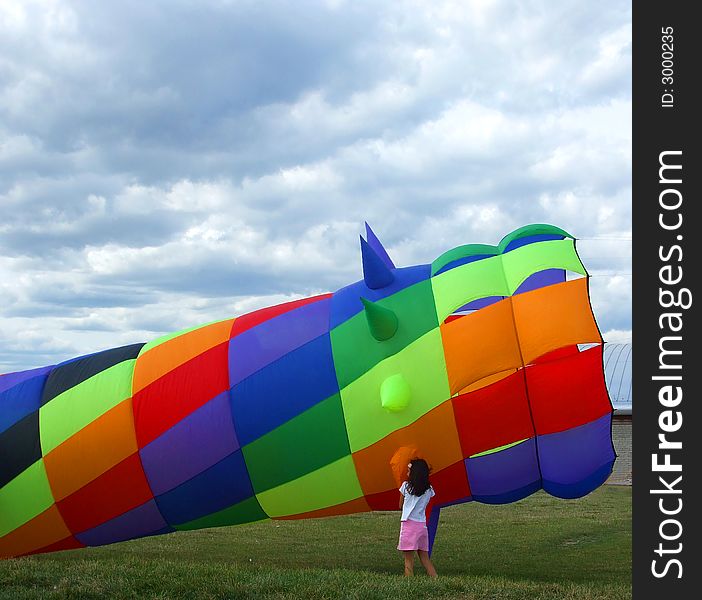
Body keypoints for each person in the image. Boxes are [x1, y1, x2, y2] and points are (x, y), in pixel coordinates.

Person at [397, 458, 438, 577]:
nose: (407, 473)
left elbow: (400, 505)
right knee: (425, 558)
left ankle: (408, 582)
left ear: (414, 473)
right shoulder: (429, 490)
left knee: (408, 560)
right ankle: (435, 578)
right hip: (421, 526)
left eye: (409, 471)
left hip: (409, 525)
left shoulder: (405, 486)